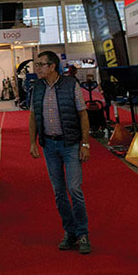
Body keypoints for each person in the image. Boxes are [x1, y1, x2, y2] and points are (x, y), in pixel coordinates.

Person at [29, 50, 92, 254]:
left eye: (40, 64)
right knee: (59, 192)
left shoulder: (71, 85)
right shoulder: (37, 87)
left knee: (74, 189)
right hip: (49, 146)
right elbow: (33, 116)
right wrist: (32, 142)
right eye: (36, 65)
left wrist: (85, 144)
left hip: (70, 145)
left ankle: (83, 233)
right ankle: (70, 232)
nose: (37, 68)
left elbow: (82, 114)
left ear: (52, 66)